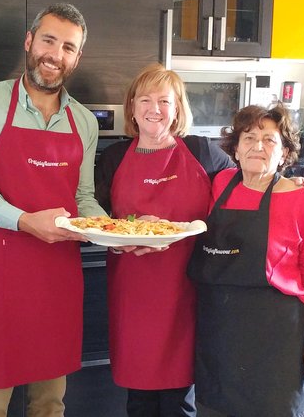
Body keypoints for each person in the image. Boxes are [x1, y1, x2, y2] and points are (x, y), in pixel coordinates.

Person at [0, 3, 106, 417]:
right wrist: (22, 220)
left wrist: (114, 230)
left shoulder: (84, 121)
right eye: (49, 40)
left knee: (51, 403)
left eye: (68, 47)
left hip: (58, 279)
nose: (55, 54)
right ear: (30, 41)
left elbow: (83, 197)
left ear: (77, 58)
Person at [95, 63, 235, 417]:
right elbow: (95, 218)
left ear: (177, 109)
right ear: (132, 108)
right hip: (133, 291)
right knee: (139, 397)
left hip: (187, 292)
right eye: (144, 99)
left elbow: (247, 188)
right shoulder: (113, 158)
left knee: (178, 400)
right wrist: (118, 234)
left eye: (164, 101)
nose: (153, 109)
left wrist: (293, 184)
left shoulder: (204, 152)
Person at [188, 105, 304, 417]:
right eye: (249, 137)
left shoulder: (303, 199)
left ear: (284, 153)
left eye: (269, 140)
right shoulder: (220, 184)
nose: (257, 146)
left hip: (275, 341)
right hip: (219, 336)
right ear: (235, 149)